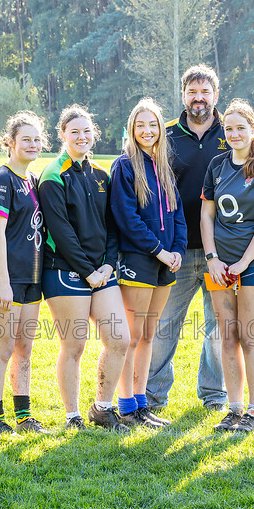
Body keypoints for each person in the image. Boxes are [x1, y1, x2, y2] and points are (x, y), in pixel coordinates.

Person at [38, 104, 131, 432]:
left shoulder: (102, 174)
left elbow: (111, 225)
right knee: (74, 345)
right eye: (74, 131)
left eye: (86, 131)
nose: (81, 136)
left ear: (94, 135)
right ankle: (72, 415)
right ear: (62, 135)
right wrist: (87, 270)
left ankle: (103, 408)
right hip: (64, 270)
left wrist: (106, 265)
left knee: (119, 339)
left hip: (101, 273)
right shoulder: (53, 175)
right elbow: (60, 231)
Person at [146, 64, 229, 411]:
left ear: (215, 94)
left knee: (218, 328)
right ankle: (152, 394)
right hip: (175, 250)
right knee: (164, 326)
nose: (199, 98)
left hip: (221, 251)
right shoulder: (165, 134)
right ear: (183, 95)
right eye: (192, 92)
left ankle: (214, 395)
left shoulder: (233, 131)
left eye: (205, 92)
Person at [200, 99, 254, 433]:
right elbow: (207, 215)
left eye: (241, 128)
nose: (235, 134)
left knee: (251, 336)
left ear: (253, 129)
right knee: (227, 336)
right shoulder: (217, 165)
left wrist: (244, 261)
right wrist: (213, 258)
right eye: (229, 129)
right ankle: (233, 409)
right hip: (219, 264)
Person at [110, 99, 187, 428]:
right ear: (132, 129)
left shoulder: (163, 165)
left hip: (166, 262)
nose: (147, 130)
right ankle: (126, 406)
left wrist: (179, 249)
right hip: (139, 260)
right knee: (131, 335)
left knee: (148, 336)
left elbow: (178, 214)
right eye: (140, 125)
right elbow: (127, 219)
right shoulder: (125, 166)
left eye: (152, 125)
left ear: (160, 129)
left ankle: (141, 405)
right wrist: (160, 251)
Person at [0, 111, 49, 436]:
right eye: (26, 139)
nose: (33, 144)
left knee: (25, 348)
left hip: (31, 278)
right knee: (3, 349)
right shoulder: (2, 179)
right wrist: (3, 283)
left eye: (37, 139)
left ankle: (24, 416)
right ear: (10, 142)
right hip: (5, 280)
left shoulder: (32, 181)